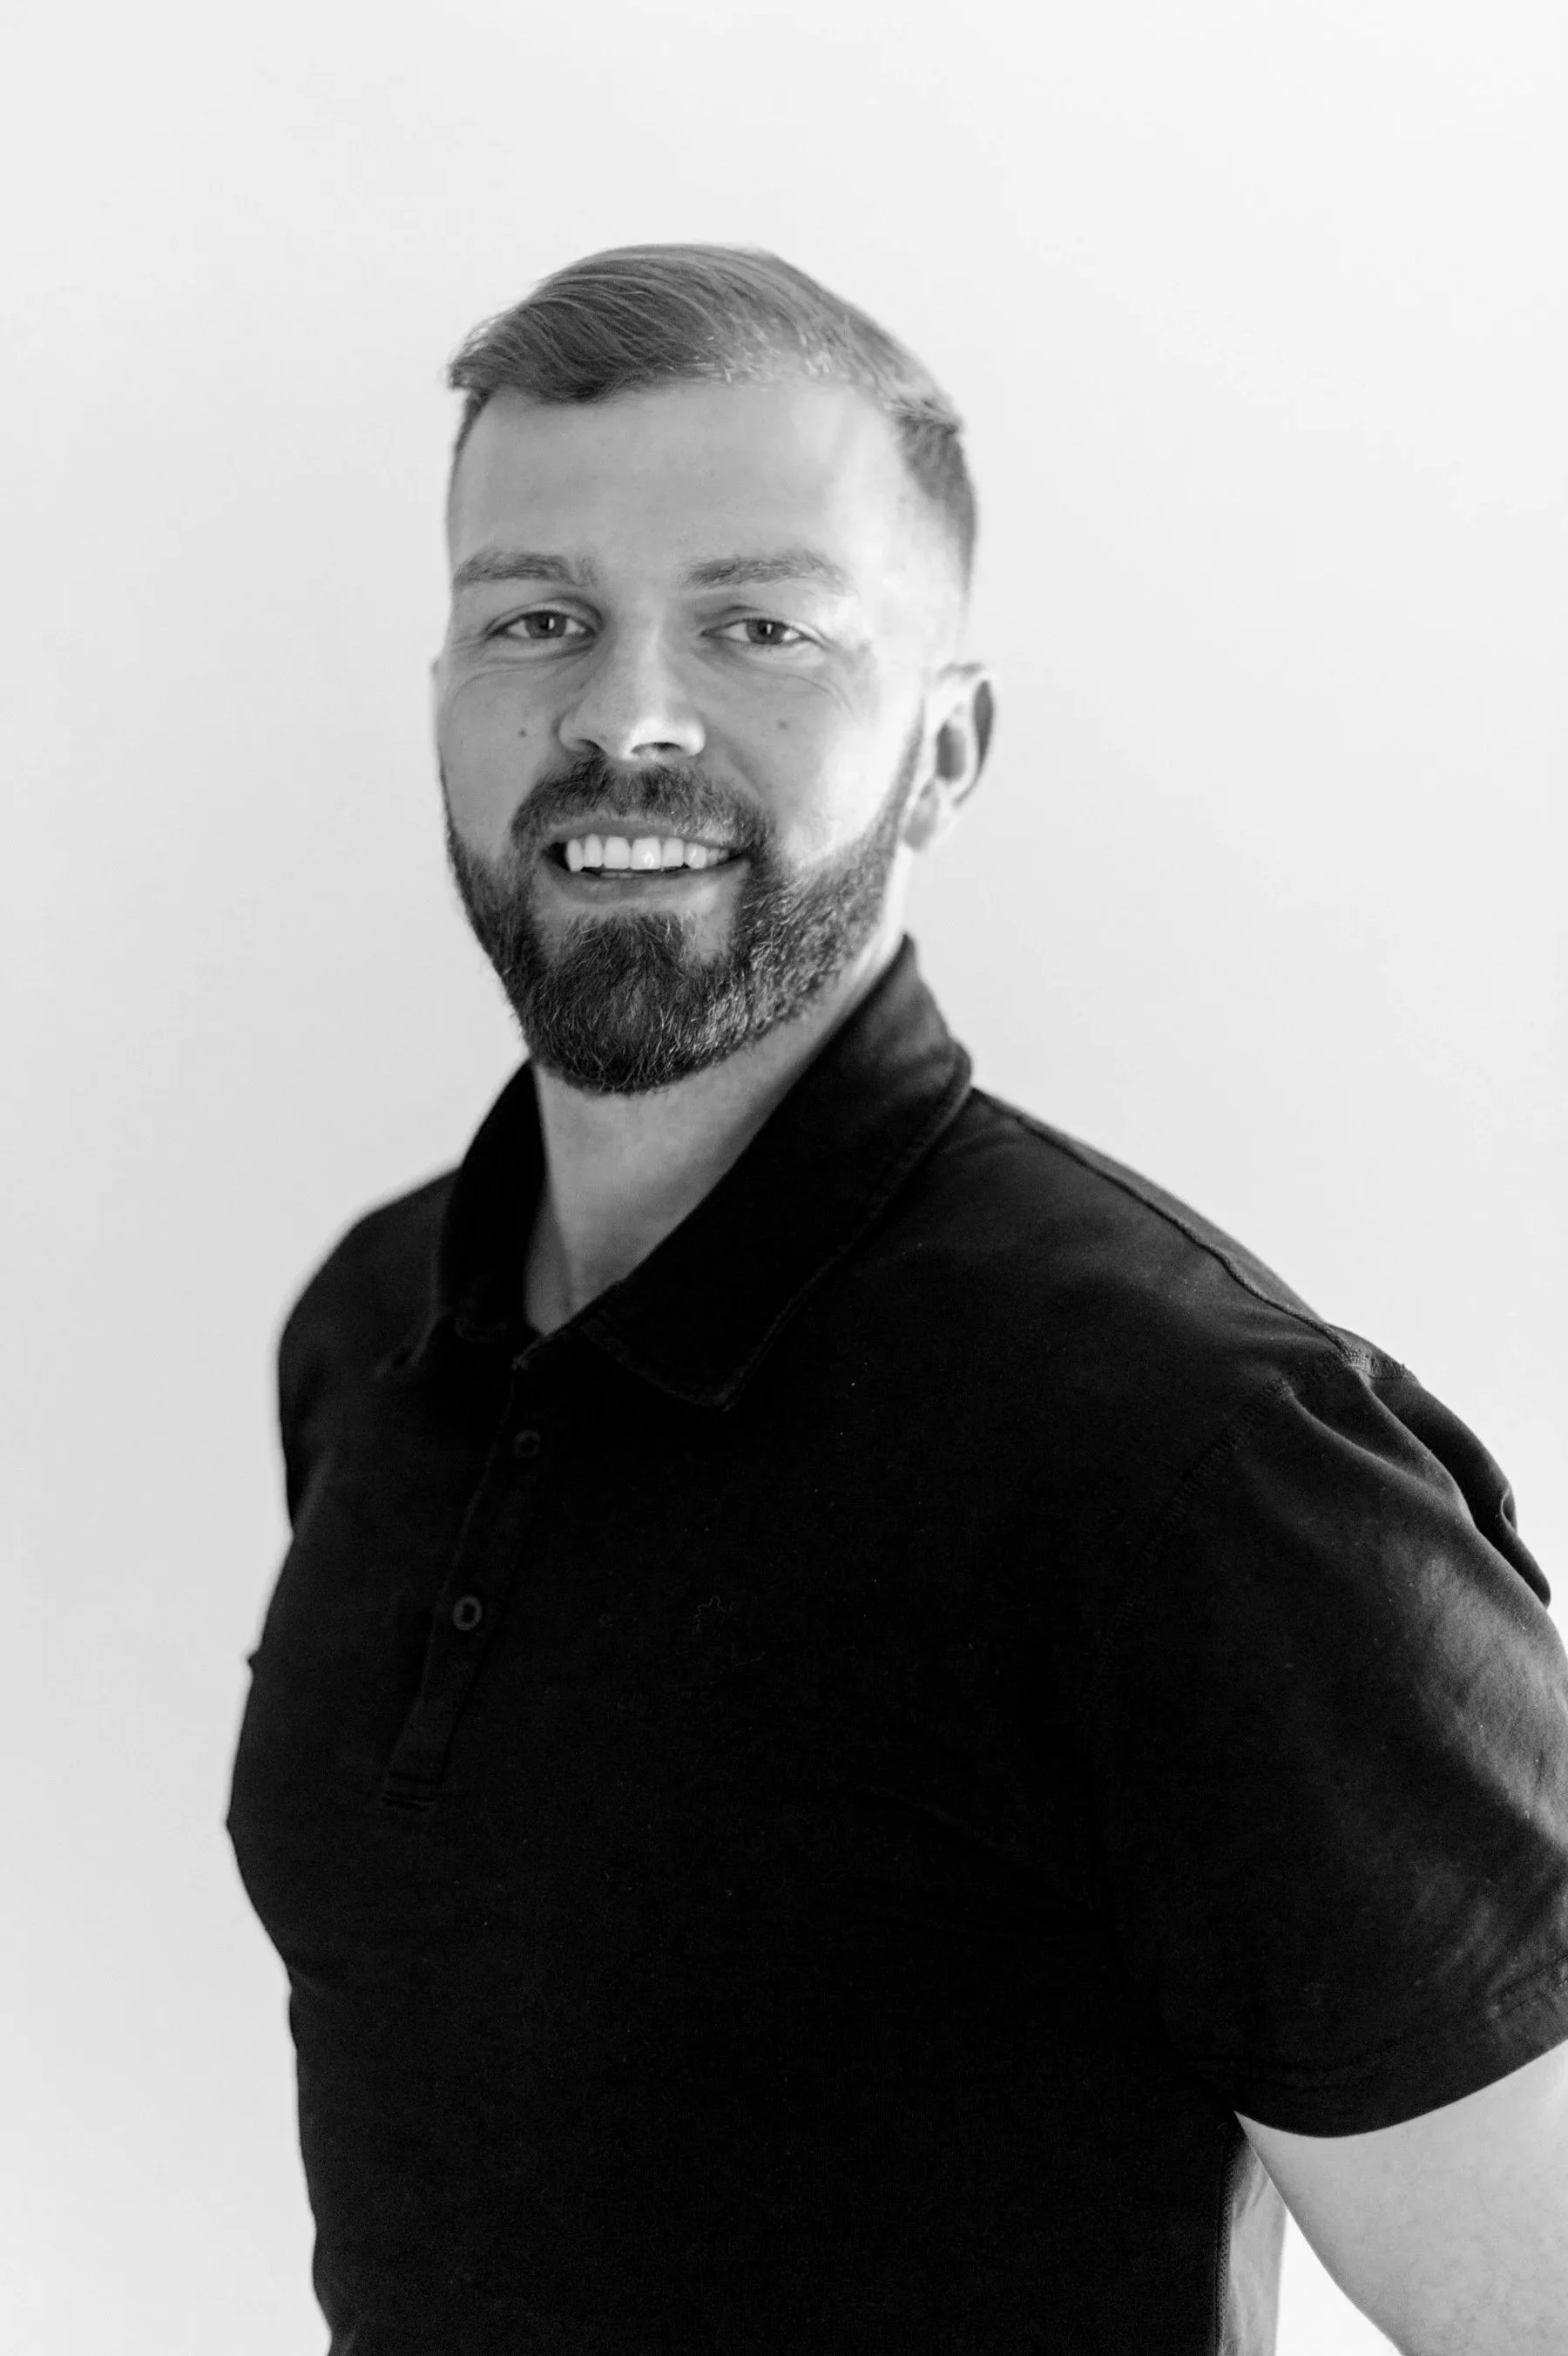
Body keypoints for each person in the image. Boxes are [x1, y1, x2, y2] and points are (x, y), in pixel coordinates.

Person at [226, 244, 1568, 2356]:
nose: (626, 714)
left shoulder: (1202, 1466)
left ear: (948, 748)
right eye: (537, 617)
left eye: (759, 624)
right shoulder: (374, 1327)